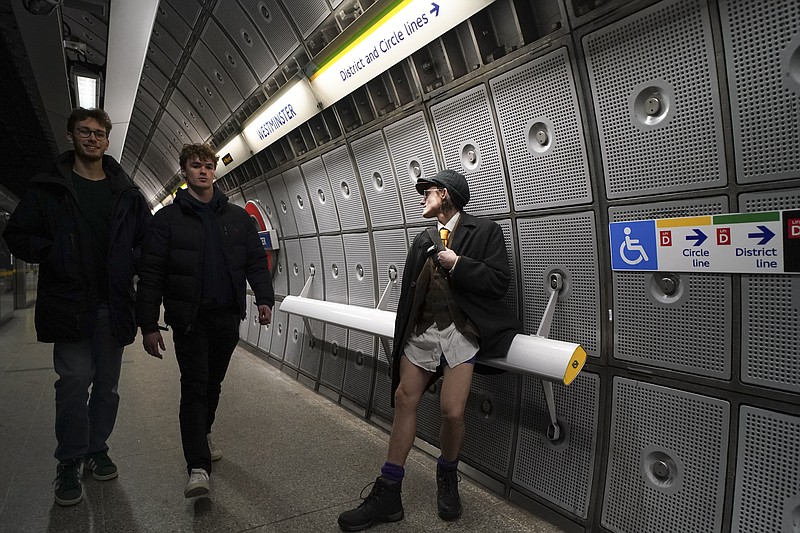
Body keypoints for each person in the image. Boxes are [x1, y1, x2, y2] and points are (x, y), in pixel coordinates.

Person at [338, 169, 520, 531]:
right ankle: (389, 491)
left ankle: (447, 474)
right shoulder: (422, 240)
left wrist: (460, 265)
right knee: (405, 397)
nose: (422, 199)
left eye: (428, 193)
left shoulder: (484, 231)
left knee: (452, 411)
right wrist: (402, 337)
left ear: (447, 195)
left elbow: (499, 282)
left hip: (460, 331)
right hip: (422, 332)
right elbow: (409, 296)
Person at [3, 107, 152, 507]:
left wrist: (131, 263)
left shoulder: (126, 192)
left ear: (107, 140)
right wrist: (52, 253)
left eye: (99, 133)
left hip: (113, 305)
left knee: (107, 387)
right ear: (71, 137)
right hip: (68, 303)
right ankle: (68, 459)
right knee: (72, 384)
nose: (92, 139)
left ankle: (96, 447)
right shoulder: (49, 188)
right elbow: (16, 233)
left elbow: (147, 240)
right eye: (84, 132)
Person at [136, 143, 274, 498]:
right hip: (189, 319)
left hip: (227, 316)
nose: (203, 170)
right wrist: (149, 323)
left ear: (215, 170)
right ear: (184, 171)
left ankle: (203, 432)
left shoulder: (237, 217)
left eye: (208, 165)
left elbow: (256, 261)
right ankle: (197, 466)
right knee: (195, 386)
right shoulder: (166, 220)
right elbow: (151, 273)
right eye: (196, 165)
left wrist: (263, 298)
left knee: (213, 384)